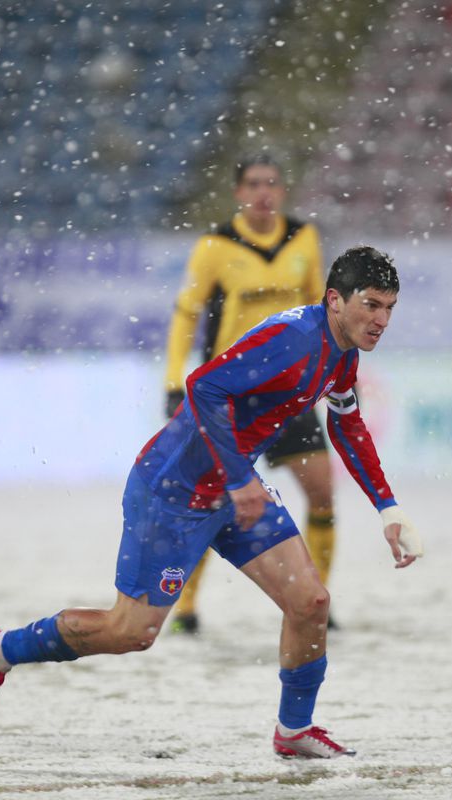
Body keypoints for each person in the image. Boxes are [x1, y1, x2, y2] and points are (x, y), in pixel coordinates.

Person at [0, 246, 422, 759]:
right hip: (173, 491)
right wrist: (237, 480)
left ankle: (293, 731)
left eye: (390, 308)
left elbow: (347, 420)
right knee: (130, 632)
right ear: (335, 300)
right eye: (372, 305)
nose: (381, 320)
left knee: (310, 602)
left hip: (233, 488)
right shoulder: (295, 338)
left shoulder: (343, 352)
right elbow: (202, 385)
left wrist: (389, 508)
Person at [163, 152, 337, 635]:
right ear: (239, 192)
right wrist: (174, 381)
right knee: (208, 503)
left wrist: (333, 367)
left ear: (282, 191)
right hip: (233, 396)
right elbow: (187, 312)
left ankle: (317, 598)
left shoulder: (304, 239)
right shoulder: (216, 246)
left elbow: (324, 308)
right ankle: (187, 608)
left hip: (288, 393)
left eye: (272, 183)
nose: (264, 192)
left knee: (322, 493)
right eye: (254, 184)